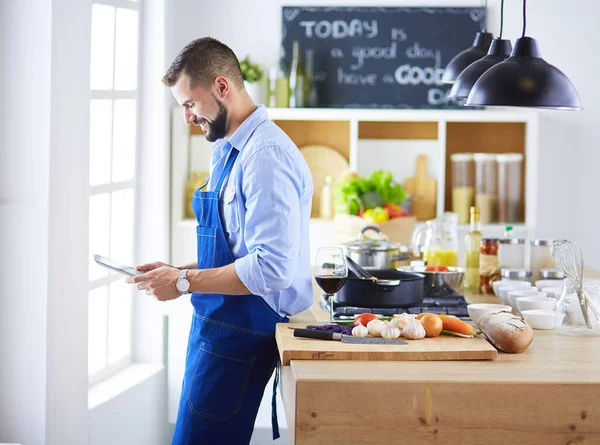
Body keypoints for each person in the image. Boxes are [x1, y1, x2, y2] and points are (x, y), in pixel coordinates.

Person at [126, 37, 314, 444]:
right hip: (215, 327)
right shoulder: (228, 148)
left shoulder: (266, 155)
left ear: (221, 87)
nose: (188, 118)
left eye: (189, 104)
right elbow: (236, 249)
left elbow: (271, 268)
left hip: (243, 333)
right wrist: (175, 270)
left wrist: (182, 282)